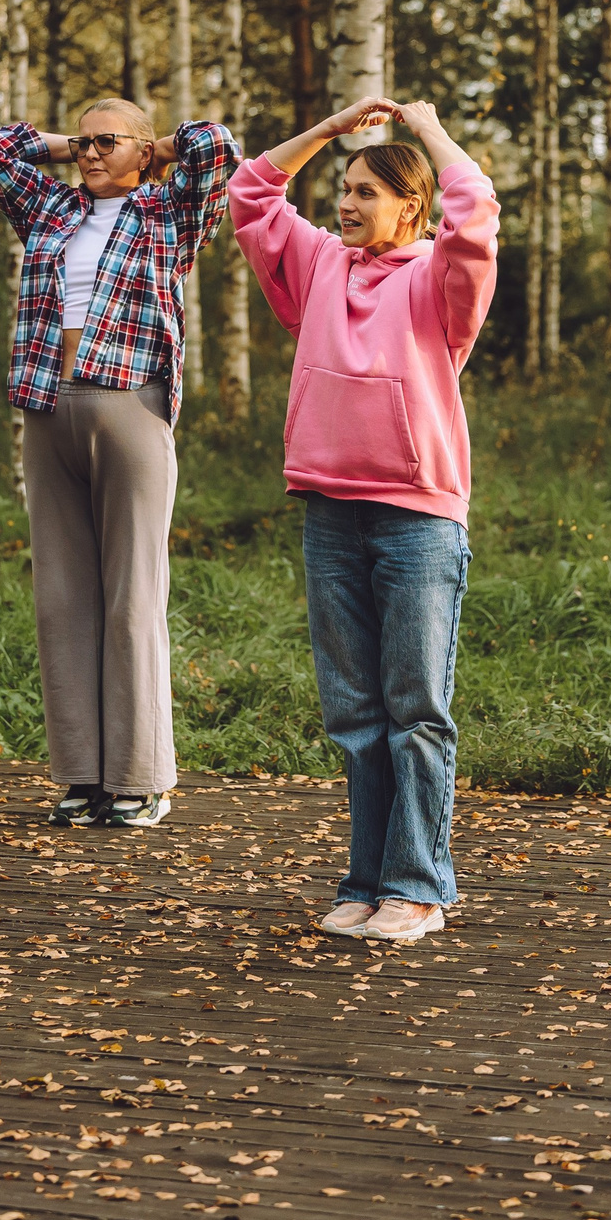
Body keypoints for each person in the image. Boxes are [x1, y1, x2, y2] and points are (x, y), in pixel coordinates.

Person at [231, 97, 499, 944]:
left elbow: (476, 208)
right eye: (343, 189)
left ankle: (419, 886)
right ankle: (368, 878)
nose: (345, 205)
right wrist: (330, 129)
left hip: (418, 519)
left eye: (365, 193)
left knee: (416, 709)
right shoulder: (318, 268)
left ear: (410, 208)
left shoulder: (439, 282)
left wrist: (425, 128)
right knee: (354, 714)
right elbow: (249, 192)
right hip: (330, 514)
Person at [0, 96, 240, 829]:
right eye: (83, 142)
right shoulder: (50, 211)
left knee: (131, 595)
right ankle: (84, 774)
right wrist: (65, 147)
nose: (90, 153)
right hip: (46, 406)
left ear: (146, 151)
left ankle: (140, 776)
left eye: (106, 142)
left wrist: (153, 148)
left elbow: (218, 149)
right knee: (62, 598)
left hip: (129, 405)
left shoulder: (168, 216)